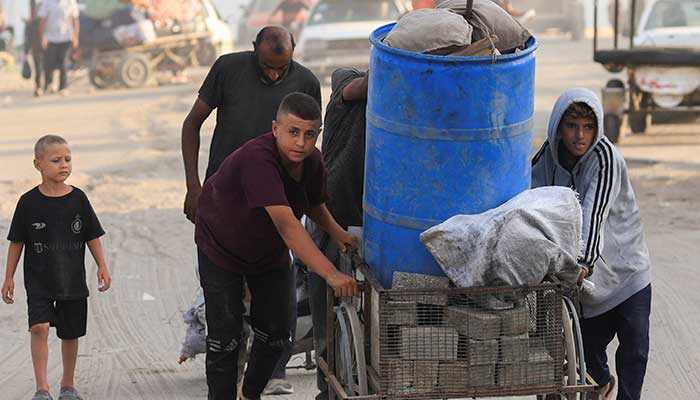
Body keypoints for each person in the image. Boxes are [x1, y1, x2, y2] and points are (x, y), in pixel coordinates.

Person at [180, 25, 320, 394]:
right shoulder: (228, 69)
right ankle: (230, 364)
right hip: (223, 206)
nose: (274, 75)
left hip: (275, 206)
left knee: (275, 309)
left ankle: (270, 371)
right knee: (224, 308)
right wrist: (193, 186)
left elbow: (308, 144)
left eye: (281, 69)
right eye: (267, 67)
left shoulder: (305, 81)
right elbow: (192, 123)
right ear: (254, 48)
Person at [194, 92, 359, 400]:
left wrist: (336, 231)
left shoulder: (313, 162)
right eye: (293, 132)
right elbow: (288, 225)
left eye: (309, 135)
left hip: (267, 252)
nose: (301, 143)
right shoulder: (259, 160)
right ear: (275, 129)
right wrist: (330, 273)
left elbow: (312, 202)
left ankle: (249, 394)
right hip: (220, 246)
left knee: (276, 334)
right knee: (225, 338)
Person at [531, 88, 652, 400]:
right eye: (571, 126)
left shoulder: (605, 158)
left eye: (588, 127)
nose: (580, 136)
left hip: (626, 272)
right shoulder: (547, 158)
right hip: (587, 284)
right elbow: (529, 200)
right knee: (588, 356)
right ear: (558, 127)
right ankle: (601, 383)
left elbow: (593, 213)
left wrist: (582, 262)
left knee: (634, 351)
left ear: (597, 128)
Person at [1, 135, 112, 400]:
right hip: (39, 280)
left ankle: (67, 384)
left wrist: (102, 266)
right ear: (38, 164)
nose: (63, 165)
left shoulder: (78, 199)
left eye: (67, 159)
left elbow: (91, 236)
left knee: (70, 333)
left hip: (72, 280)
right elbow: (17, 242)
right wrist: (9, 277)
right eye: (56, 160)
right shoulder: (28, 202)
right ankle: (42, 388)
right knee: (38, 327)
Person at [305, 68, 368, 400]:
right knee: (326, 303)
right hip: (331, 218)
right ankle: (327, 387)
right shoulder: (346, 90)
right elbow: (361, 86)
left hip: (370, 221)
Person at [38, 0, 79, 96]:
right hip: (50, 38)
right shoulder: (47, 2)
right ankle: (49, 84)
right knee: (49, 63)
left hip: (66, 37)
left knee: (63, 63)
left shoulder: (70, 2)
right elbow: (42, 21)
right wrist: (43, 37)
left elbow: (75, 21)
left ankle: (63, 87)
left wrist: (75, 37)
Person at [26, 0, 45, 97]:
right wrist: (26, 51)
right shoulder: (32, 22)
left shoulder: (45, 20)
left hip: (45, 45)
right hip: (36, 47)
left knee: (44, 66)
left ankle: (44, 85)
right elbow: (28, 38)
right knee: (38, 67)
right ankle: (38, 86)